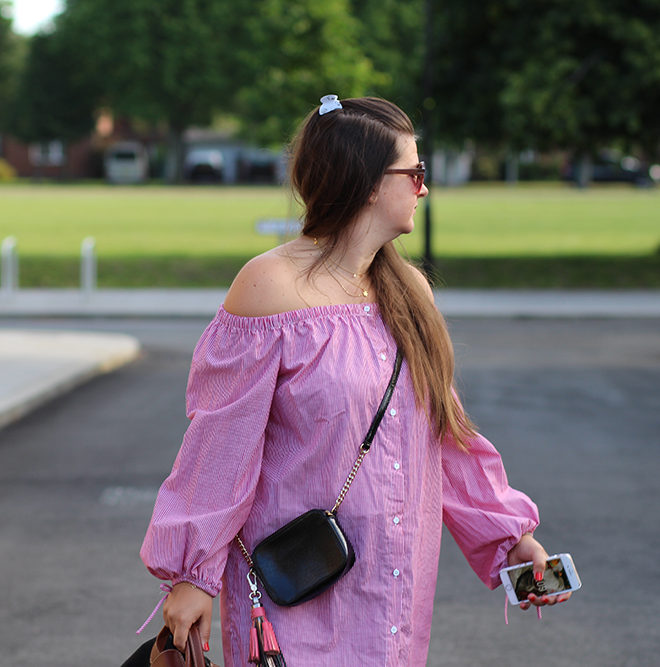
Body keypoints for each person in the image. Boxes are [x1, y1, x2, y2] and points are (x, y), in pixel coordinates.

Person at [139, 95, 570, 666]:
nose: (424, 187)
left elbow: (446, 435)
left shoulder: (409, 292)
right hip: (295, 590)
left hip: (393, 587)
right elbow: (218, 450)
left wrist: (509, 537)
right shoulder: (268, 287)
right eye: (413, 172)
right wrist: (193, 576)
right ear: (366, 182)